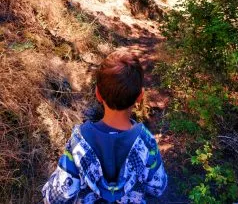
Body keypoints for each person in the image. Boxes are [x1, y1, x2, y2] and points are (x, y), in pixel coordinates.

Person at [42, 51, 167, 203]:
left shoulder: (79, 141)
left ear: (98, 94)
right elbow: (157, 187)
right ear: (140, 96)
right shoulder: (147, 141)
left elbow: (56, 198)